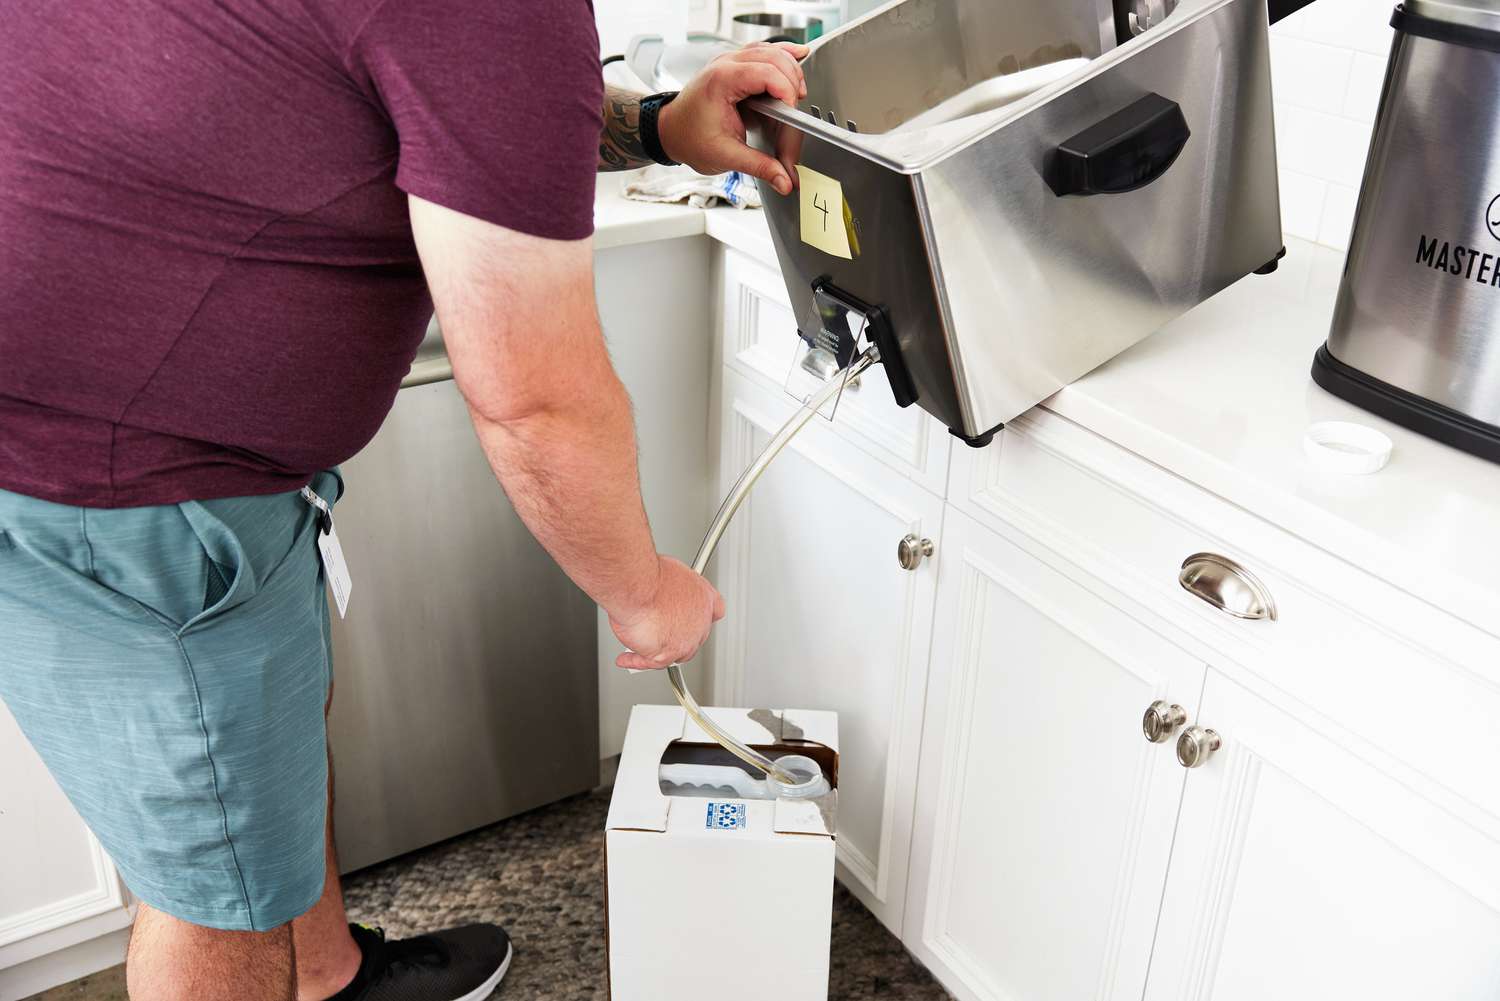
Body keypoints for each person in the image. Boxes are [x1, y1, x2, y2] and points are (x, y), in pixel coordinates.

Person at [0, 2, 807, 999]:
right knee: (217, 892)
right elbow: (537, 402)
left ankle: (332, 975)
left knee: (264, 754)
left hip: (158, 466)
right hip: (123, 492)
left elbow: (444, 84)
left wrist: (653, 122)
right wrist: (644, 592)